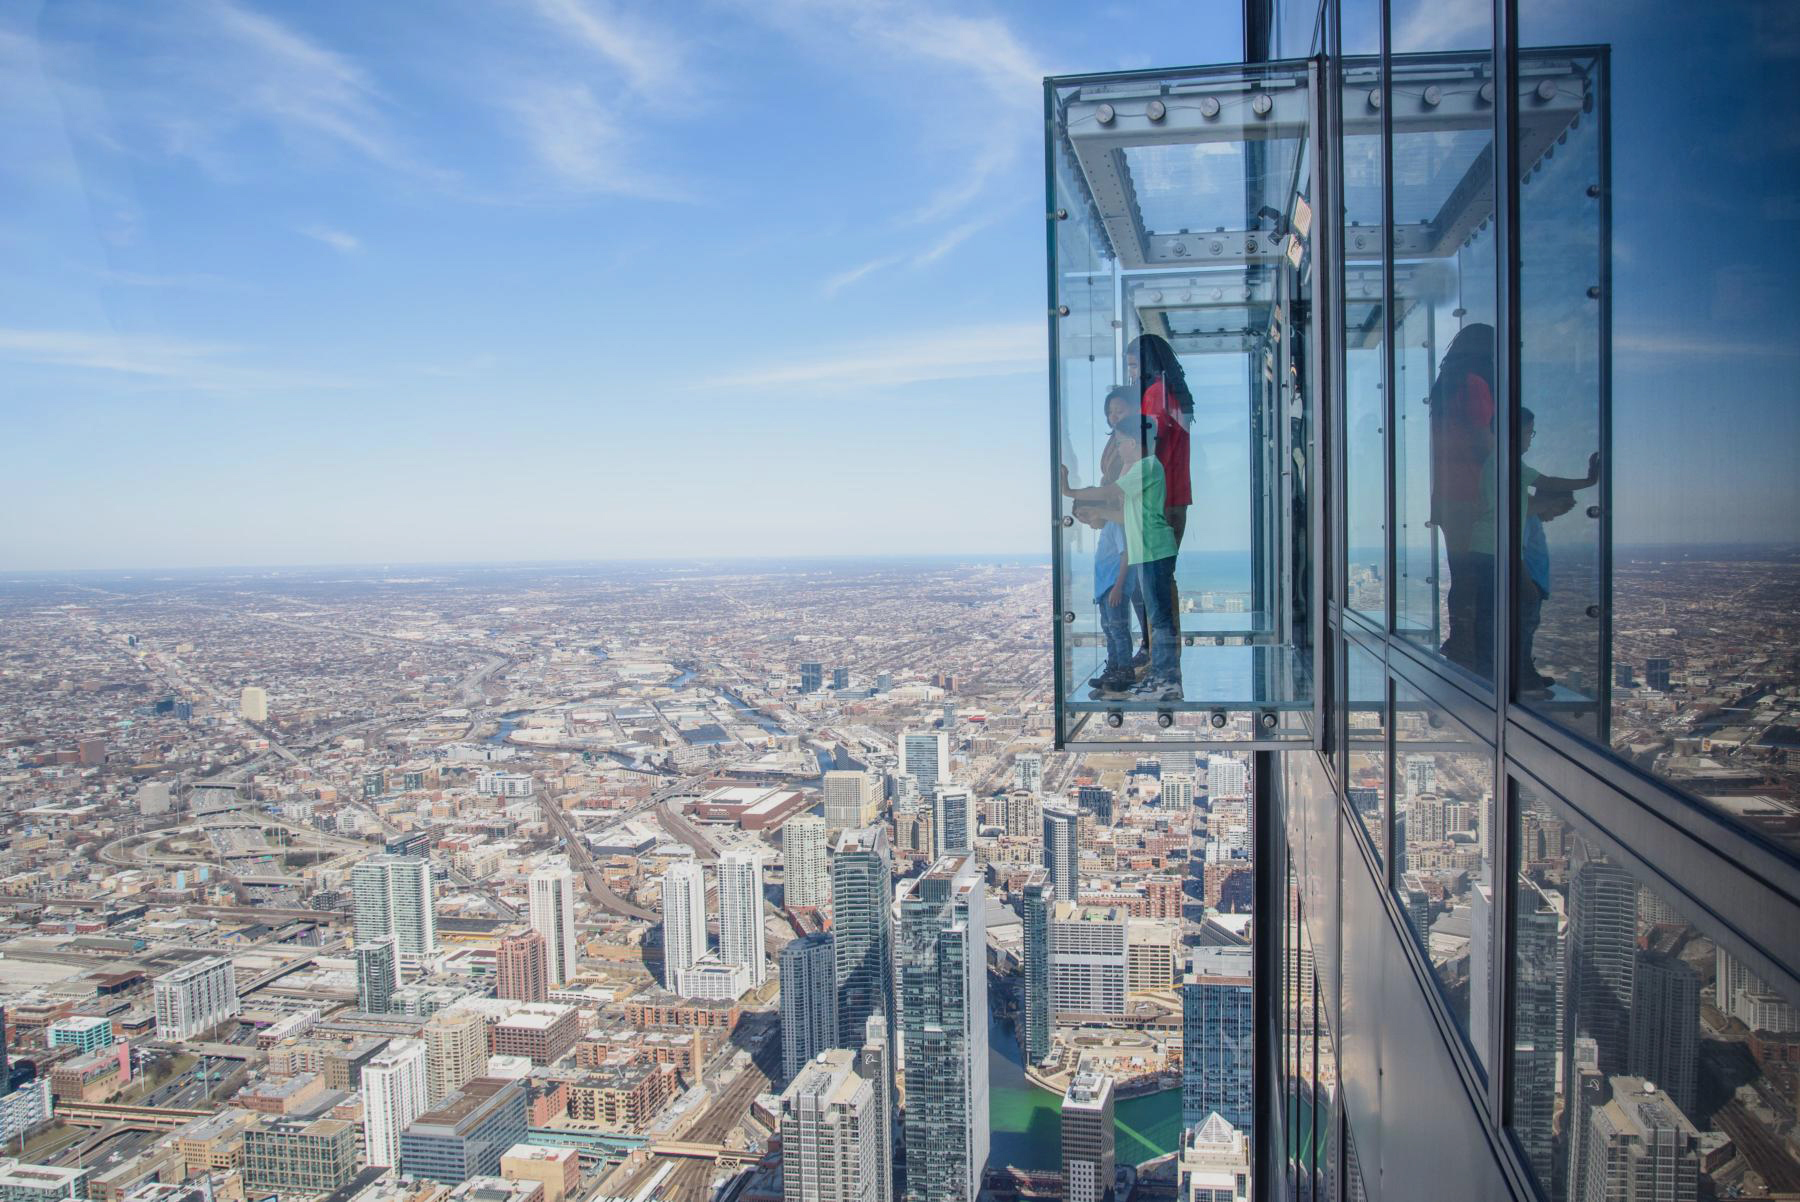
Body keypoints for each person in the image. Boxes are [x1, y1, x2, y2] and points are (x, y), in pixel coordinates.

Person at [1063, 416, 1182, 702]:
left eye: (1119, 443)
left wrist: (1068, 491)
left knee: (1160, 619)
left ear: (1133, 442)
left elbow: (1110, 491)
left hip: (1154, 551)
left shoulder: (1147, 466)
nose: (1117, 449)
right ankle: (1161, 678)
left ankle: (1167, 681)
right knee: (1157, 618)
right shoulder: (1143, 471)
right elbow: (1127, 517)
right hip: (1148, 552)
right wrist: (1099, 514)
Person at [1426, 323, 1496, 676]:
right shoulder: (1474, 384)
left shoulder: (1445, 389)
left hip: (1449, 497)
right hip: (1474, 494)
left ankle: (1462, 644)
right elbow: (1484, 442)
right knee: (1482, 576)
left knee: (1463, 575)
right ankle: (1479, 653)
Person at [1517, 407, 1600, 695]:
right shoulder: (1526, 518)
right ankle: (1523, 677)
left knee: (1527, 628)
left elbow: (1548, 482)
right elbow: (1518, 551)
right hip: (1527, 582)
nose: (1556, 516)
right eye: (1529, 433)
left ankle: (1525, 672)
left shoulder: (1528, 514)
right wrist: (1589, 482)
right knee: (1525, 628)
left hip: (1530, 582)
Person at [1126, 334, 1194, 669]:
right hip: (1176, 499)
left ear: (1147, 364)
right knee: (1161, 580)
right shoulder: (1175, 396)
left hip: (1159, 501)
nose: (1131, 373)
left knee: (1150, 584)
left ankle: (1157, 656)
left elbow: (1145, 444)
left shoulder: (1155, 395)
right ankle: (1160, 654)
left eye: (1133, 365)